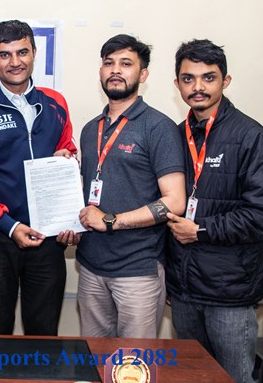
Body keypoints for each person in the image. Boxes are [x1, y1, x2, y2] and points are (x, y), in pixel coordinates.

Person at [166, 39, 263, 383]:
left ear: (225, 81)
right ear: (177, 84)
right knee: (190, 378)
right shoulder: (175, 136)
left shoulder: (250, 135)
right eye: (188, 78)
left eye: (209, 77)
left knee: (234, 377)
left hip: (229, 294)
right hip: (185, 290)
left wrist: (201, 230)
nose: (198, 87)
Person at [0, 20, 77, 336]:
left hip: (47, 238)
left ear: (34, 52)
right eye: (4, 54)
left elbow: (69, 154)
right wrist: (9, 225)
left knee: (44, 334)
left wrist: (68, 218)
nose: (15, 62)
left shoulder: (56, 101)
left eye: (22, 52)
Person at [69, 34, 185, 338]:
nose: (116, 70)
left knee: (133, 361)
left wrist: (112, 221)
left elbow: (175, 201)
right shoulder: (90, 129)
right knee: (94, 357)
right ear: (100, 71)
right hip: (90, 267)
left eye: (126, 63)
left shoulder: (159, 127)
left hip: (138, 270)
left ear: (143, 74)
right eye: (109, 63)